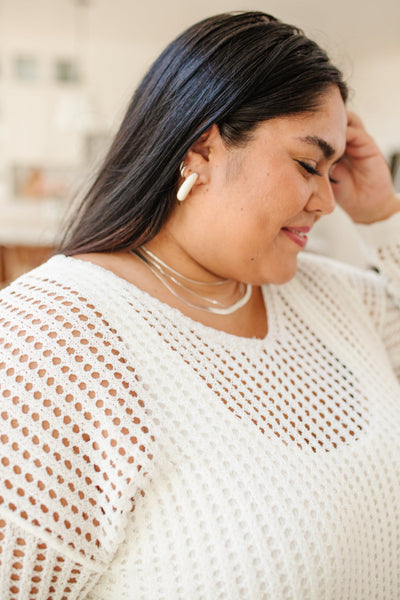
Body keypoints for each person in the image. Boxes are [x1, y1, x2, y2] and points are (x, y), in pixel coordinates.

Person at [0, 11, 399, 600]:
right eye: (309, 164)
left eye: (334, 169)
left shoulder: (339, 299)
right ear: (202, 149)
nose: (326, 200)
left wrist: (385, 214)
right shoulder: (47, 339)